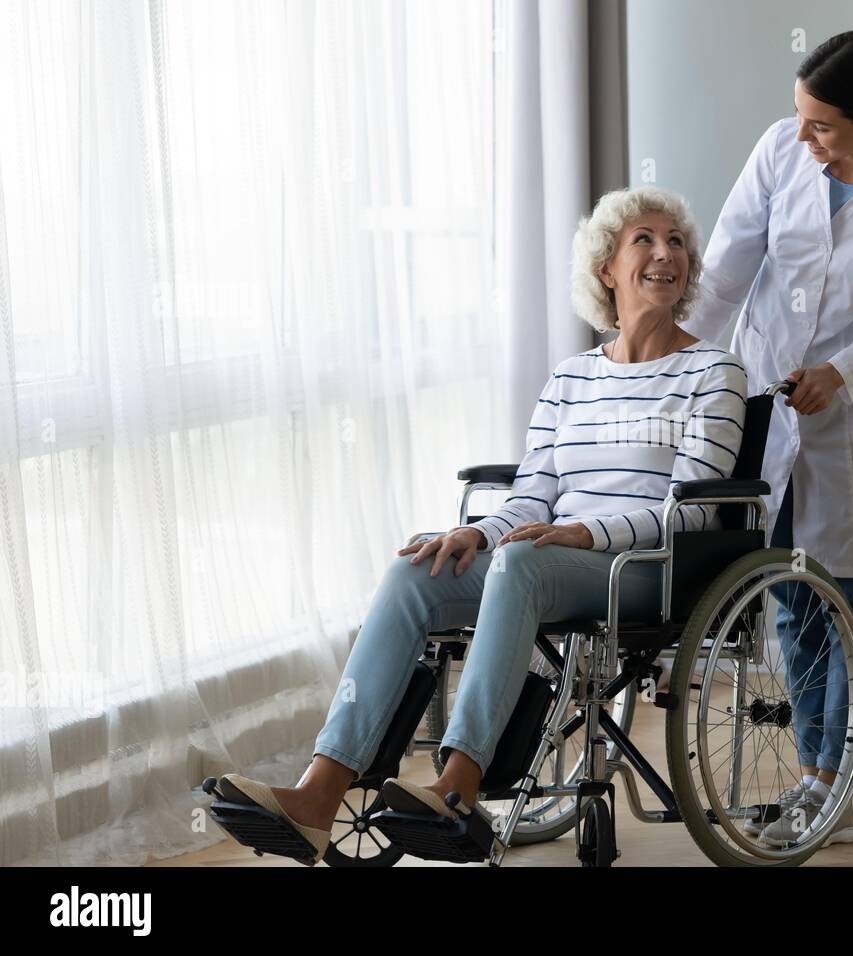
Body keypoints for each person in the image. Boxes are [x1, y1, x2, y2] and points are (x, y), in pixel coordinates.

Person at [212, 186, 748, 863]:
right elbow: (534, 496)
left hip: (645, 571)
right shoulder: (569, 381)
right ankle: (318, 794)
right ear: (606, 268)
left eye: (677, 243)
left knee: (524, 564)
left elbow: (692, 510)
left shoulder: (714, 372)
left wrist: (581, 535)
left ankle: (459, 787)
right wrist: (480, 534)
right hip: (549, 561)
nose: (666, 253)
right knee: (417, 569)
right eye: (645, 239)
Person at [681, 31, 853, 848]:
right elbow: (728, 270)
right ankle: (812, 780)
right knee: (789, 597)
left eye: (823, 126)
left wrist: (840, 371)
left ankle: (832, 788)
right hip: (768, 413)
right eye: (800, 117)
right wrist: (675, 361)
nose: (803, 137)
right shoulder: (780, 148)